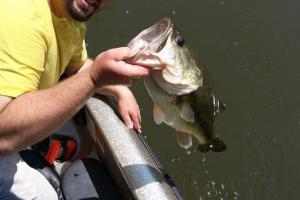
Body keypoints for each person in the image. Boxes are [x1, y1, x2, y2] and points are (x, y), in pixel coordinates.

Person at [0, 0, 149, 199]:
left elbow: (76, 67)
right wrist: (93, 79)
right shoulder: (23, 16)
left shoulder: (69, 17)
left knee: (84, 141)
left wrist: (120, 91)